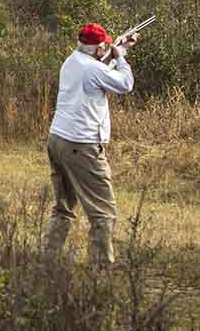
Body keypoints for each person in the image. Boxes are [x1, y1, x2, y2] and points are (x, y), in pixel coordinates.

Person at [43, 21, 139, 266]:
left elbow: (96, 72)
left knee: (63, 207)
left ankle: (48, 260)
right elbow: (125, 84)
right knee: (103, 213)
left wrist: (118, 48)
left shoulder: (72, 61)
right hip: (81, 146)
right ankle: (100, 272)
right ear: (98, 49)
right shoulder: (93, 68)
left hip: (58, 140)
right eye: (104, 45)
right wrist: (121, 57)